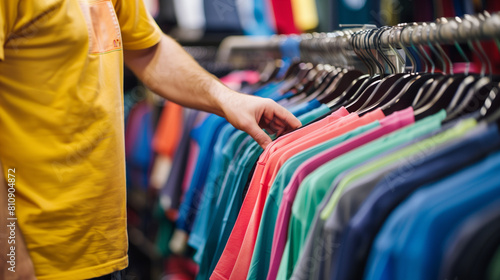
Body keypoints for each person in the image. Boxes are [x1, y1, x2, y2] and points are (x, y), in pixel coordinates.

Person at [0, 0, 301, 279]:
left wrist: (226, 98)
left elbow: (148, 49)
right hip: (33, 255)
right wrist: (10, 258)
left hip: (101, 250)